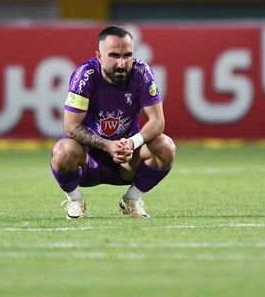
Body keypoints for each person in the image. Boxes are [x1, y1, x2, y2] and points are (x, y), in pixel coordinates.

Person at [50, 25, 176, 219]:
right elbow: (70, 126)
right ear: (99, 56)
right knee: (62, 151)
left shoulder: (141, 73)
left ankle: (132, 199)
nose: (121, 63)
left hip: (127, 159)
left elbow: (158, 121)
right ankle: (75, 201)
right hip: (89, 162)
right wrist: (107, 145)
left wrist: (132, 143)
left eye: (127, 55)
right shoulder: (85, 75)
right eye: (114, 55)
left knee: (166, 146)